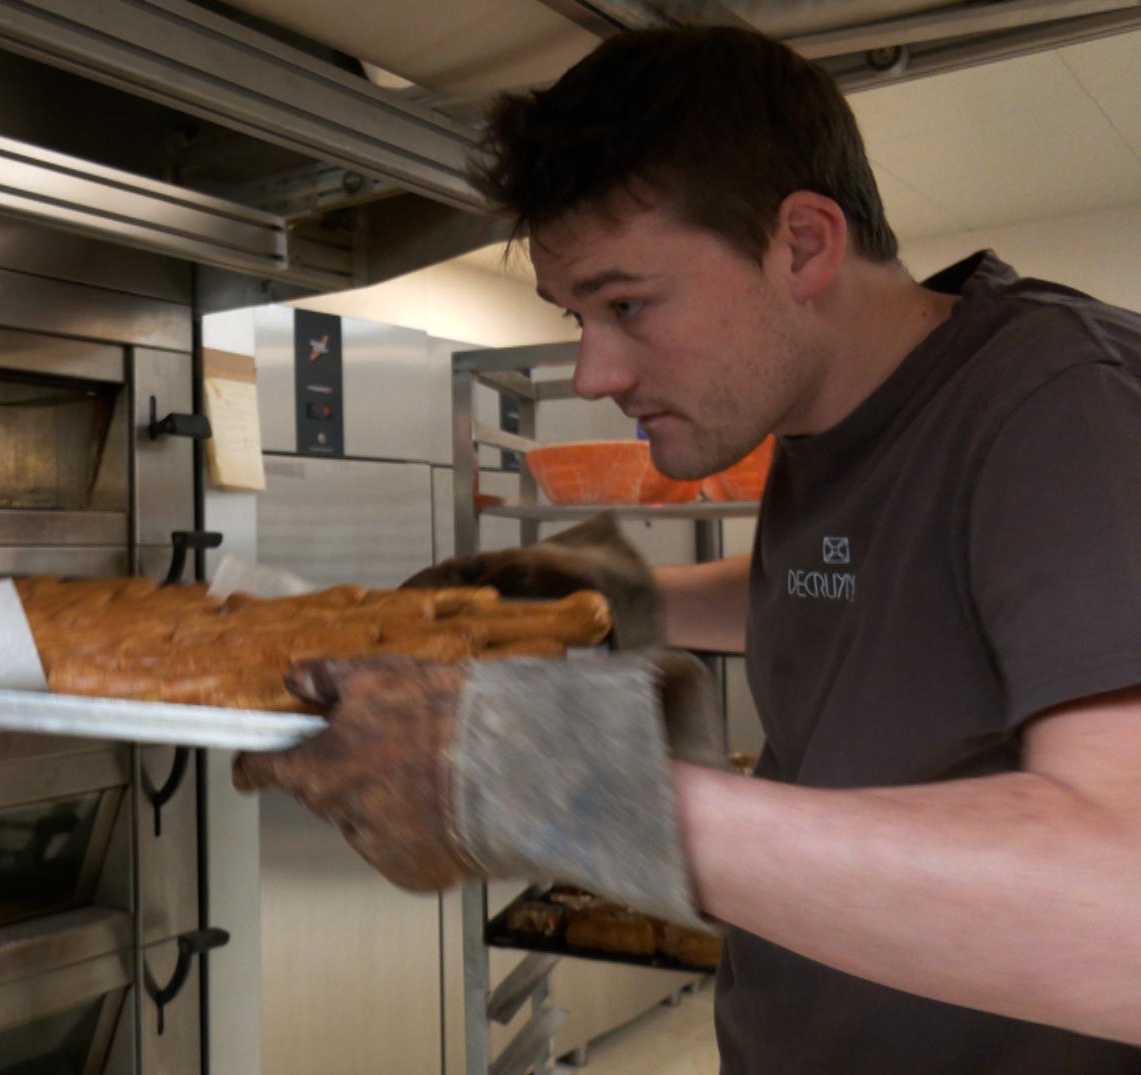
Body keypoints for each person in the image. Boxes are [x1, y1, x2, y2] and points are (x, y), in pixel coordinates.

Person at [234, 25, 1141, 1075]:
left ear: (803, 245)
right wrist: (626, 597)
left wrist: (540, 779)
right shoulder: (823, 418)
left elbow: (1121, 899)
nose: (592, 372)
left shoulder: (1067, 408)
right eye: (576, 314)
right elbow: (872, 590)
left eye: (626, 304)